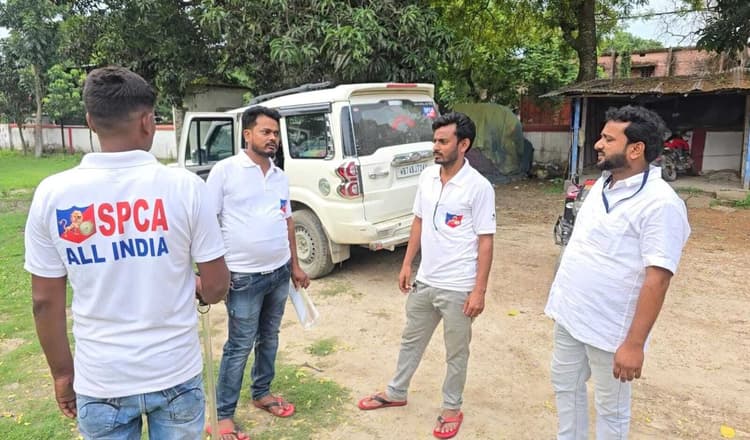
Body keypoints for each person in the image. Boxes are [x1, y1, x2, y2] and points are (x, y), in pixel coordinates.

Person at [24, 66, 230, 439]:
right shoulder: (185, 187)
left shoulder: (53, 195)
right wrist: (197, 285)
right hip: (174, 371)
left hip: (101, 378)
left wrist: (63, 374)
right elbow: (216, 287)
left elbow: (44, 302)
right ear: (148, 122)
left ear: (90, 121)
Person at [545, 105, 691, 439]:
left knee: (611, 410)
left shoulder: (661, 204)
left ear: (636, 149)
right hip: (570, 316)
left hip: (612, 332)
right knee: (566, 389)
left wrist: (634, 345)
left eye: (609, 139)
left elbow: (658, 278)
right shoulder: (602, 185)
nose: (598, 144)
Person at [357, 112, 496, 439]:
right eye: (434, 140)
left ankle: (451, 408)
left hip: (458, 287)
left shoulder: (478, 187)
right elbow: (418, 220)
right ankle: (396, 392)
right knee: (411, 340)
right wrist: (407, 264)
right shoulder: (428, 177)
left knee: (456, 352)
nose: (436, 146)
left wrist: (479, 291)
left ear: (463, 144)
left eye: (443, 141)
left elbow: (486, 241)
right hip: (426, 280)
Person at [207, 106, 310, 439]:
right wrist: (210, 272)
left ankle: (262, 392)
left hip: (278, 273)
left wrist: (295, 265)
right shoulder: (225, 171)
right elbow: (207, 222)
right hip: (242, 277)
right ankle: (223, 414)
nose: (273, 138)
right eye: (266, 132)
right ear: (247, 134)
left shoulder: (279, 176)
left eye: (276, 133)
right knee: (239, 345)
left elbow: (287, 220)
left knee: (270, 337)